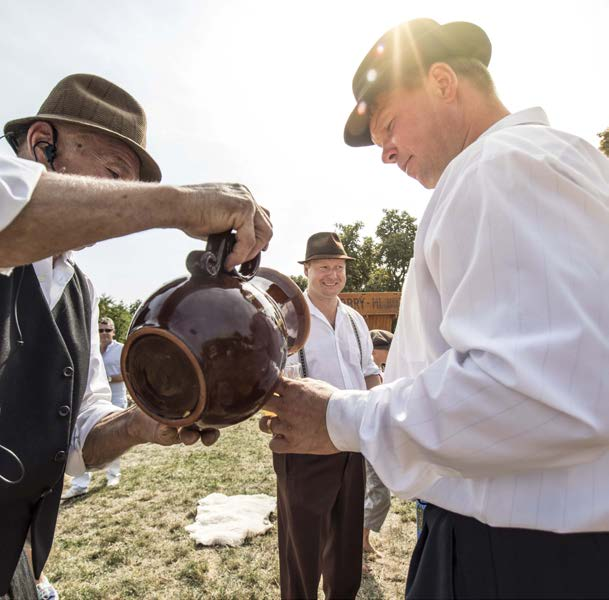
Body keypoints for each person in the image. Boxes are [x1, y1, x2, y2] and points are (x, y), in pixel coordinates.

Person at [261, 18, 609, 599]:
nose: (387, 153)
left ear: (444, 82)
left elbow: (534, 387)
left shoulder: (493, 168)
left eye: (390, 125)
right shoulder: (573, 163)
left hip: (512, 555)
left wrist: (341, 418)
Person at [0, 73, 272, 597]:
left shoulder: (78, 289)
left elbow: (77, 436)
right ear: (41, 146)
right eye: (111, 177)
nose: (121, 202)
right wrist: (179, 206)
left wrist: (141, 425)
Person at [261, 232, 381, 599]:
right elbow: (269, 376)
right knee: (302, 548)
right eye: (324, 267)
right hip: (304, 444)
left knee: (346, 544)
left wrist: (379, 415)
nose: (333, 274)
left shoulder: (355, 319)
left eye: (339, 267)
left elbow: (369, 371)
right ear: (307, 270)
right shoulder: (286, 318)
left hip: (353, 439)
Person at [62, 317, 127, 499]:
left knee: (116, 438)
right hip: (89, 402)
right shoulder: (88, 349)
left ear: (113, 331)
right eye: (100, 330)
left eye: (107, 330)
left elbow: (127, 372)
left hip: (115, 398)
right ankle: (80, 484)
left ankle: (113, 475)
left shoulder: (121, 349)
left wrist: (107, 379)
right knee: (79, 439)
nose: (104, 333)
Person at [362, 329, 393, 557]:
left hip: (377, 438)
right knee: (378, 494)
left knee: (377, 493)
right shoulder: (365, 371)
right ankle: (359, 543)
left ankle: (361, 542)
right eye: (388, 351)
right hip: (367, 439)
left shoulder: (379, 371)